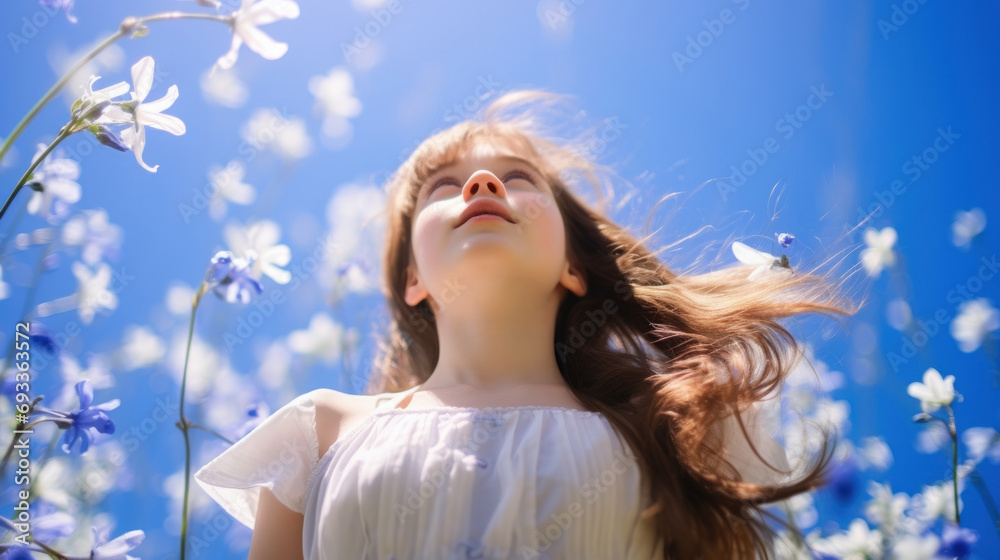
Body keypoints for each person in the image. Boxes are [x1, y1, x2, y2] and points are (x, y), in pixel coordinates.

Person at [194, 89, 859, 559]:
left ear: (573, 266)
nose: (482, 182)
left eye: (518, 178)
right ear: (413, 281)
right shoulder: (319, 431)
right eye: (442, 187)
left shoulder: (676, 429)